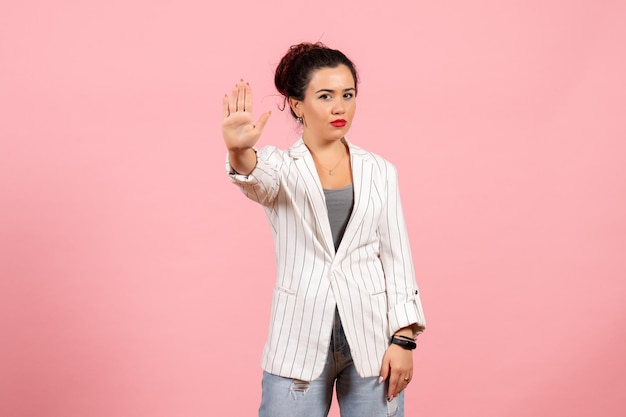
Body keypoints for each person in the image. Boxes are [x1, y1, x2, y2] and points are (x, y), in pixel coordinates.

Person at [221, 42, 426, 417]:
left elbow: (397, 257)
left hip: (373, 341)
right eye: (325, 95)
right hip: (298, 338)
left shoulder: (380, 171)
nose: (339, 107)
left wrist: (404, 339)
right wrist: (238, 152)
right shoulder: (279, 167)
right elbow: (255, 179)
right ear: (297, 105)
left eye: (348, 95)